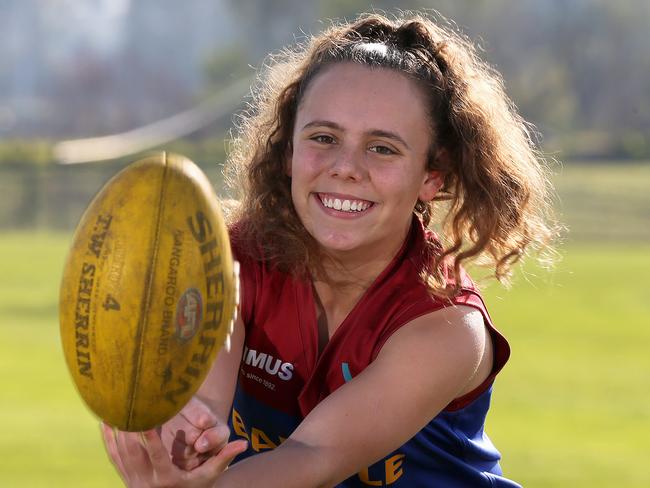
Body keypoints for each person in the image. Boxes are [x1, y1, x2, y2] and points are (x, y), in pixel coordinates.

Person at [101, 12, 557, 488]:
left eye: (382, 148)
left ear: (431, 176)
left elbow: (313, 457)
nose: (345, 167)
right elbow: (205, 406)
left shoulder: (446, 325)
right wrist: (187, 444)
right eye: (324, 138)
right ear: (288, 153)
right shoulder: (231, 263)